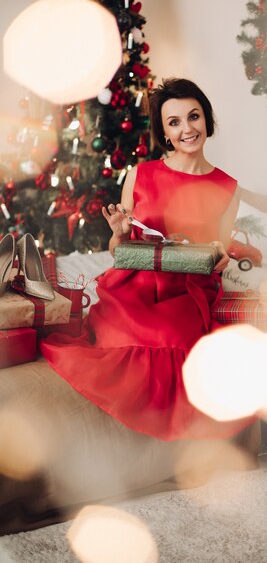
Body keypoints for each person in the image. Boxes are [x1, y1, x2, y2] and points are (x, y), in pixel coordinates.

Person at [40, 78, 255, 441]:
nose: (187, 129)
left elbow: (217, 251)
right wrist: (120, 234)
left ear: (206, 120)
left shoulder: (227, 187)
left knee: (172, 340)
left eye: (194, 116)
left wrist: (220, 258)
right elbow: (118, 251)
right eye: (174, 122)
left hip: (186, 291)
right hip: (134, 284)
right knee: (130, 337)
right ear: (165, 132)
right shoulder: (141, 174)